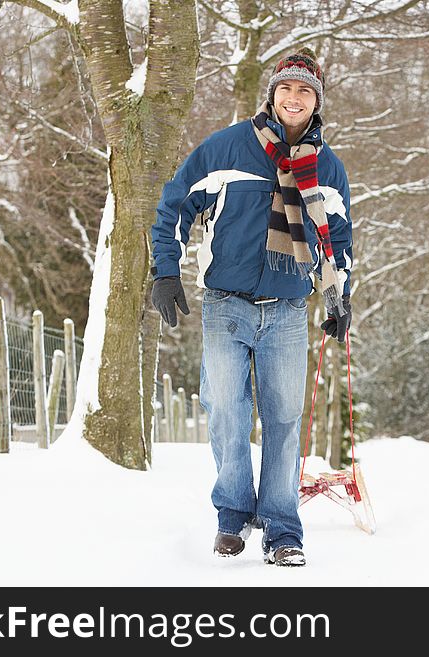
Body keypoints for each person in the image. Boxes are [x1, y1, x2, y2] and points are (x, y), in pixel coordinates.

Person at [150, 47, 354, 567]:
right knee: (225, 411)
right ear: (272, 94)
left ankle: (284, 529)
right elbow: (175, 203)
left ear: (316, 101)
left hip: (287, 309)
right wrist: (166, 270)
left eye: (304, 90)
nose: (294, 97)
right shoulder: (226, 148)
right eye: (286, 88)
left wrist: (338, 294)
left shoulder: (327, 167)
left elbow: (338, 239)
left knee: (285, 419)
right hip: (226, 305)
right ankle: (232, 516)